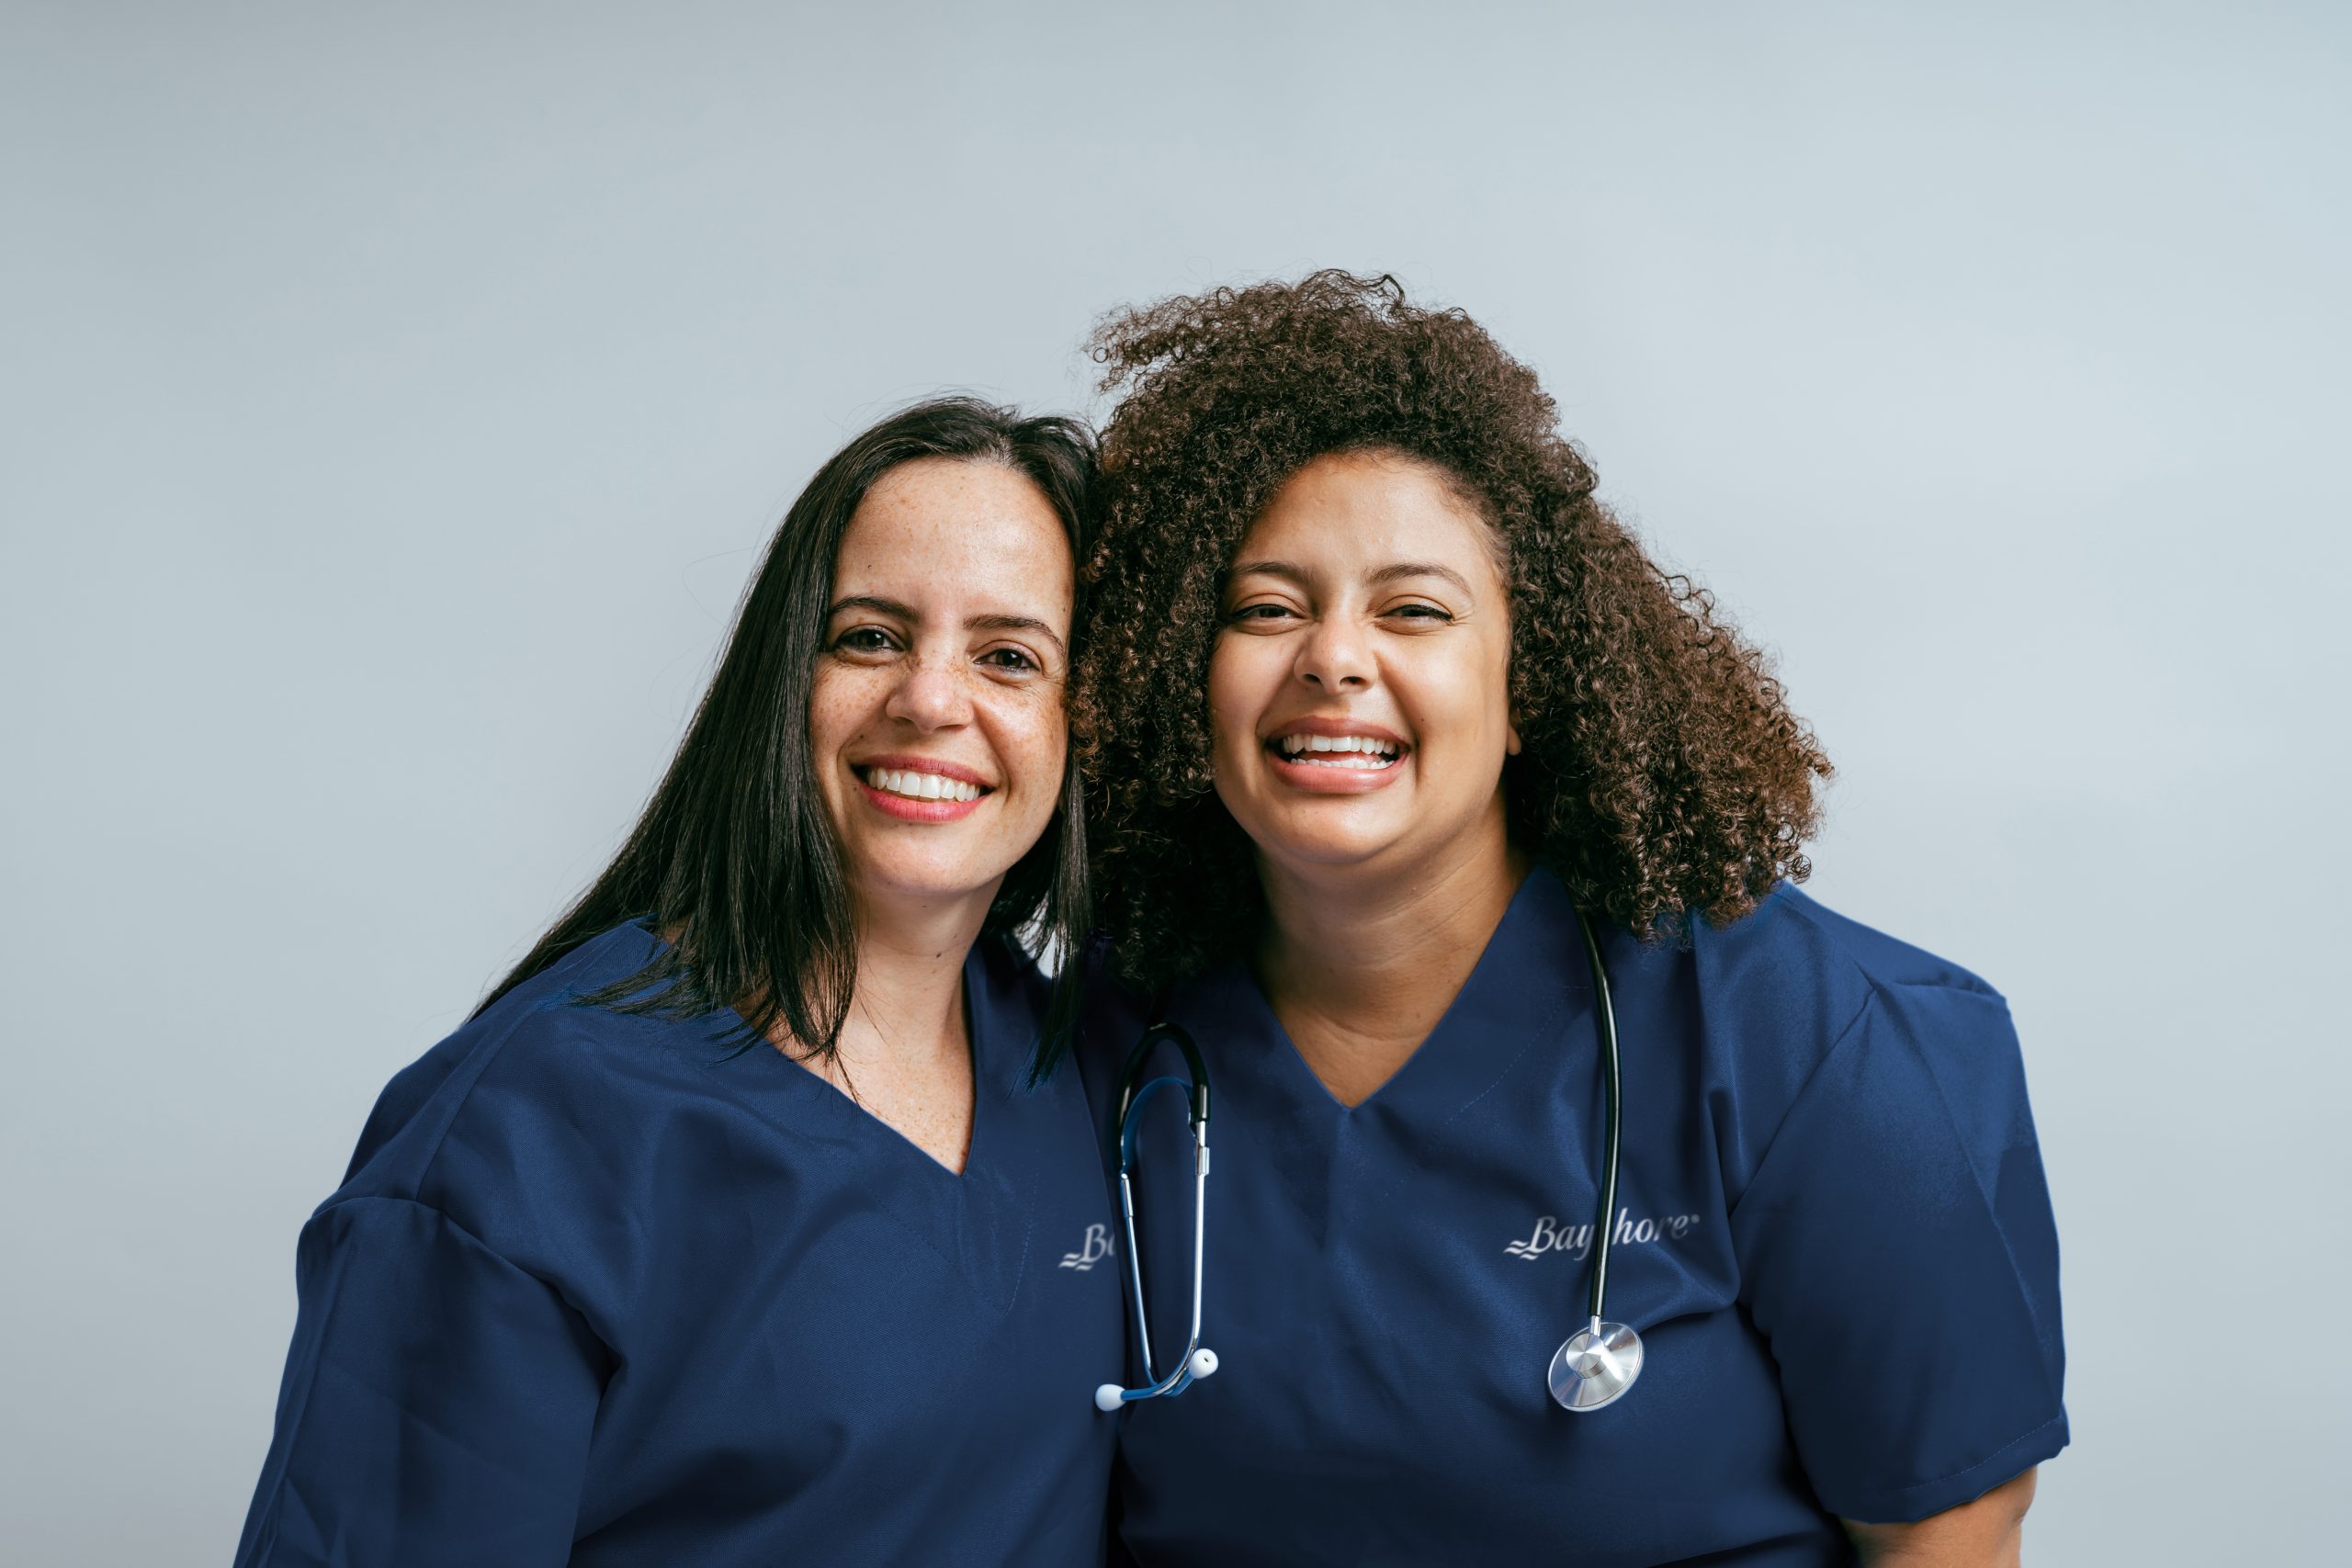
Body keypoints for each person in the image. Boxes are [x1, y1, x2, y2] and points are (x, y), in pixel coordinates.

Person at [1069, 275, 2067, 1566]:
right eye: (1266, 607)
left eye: (1413, 608)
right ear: (1173, 676)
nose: (1332, 656)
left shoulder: (1813, 1040)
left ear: (1527, 685)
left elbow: (1949, 1533)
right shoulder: (1105, 1038)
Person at [234, 398, 1122, 1567]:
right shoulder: (527, 1133)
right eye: (869, 637)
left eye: (1008, 657)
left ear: (1086, 723)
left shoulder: (1086, 1066)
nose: (929, 699)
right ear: (782, 676)